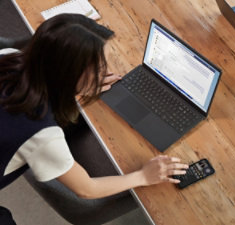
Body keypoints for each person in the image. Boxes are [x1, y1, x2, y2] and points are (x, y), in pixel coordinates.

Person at [0, 14, 188, 224]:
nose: (106, 72)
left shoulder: (8, 56)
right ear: (68, 73)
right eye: (99, 70)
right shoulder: (42, 134)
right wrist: (143, 177)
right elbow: (86, 189)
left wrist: (79, 87)